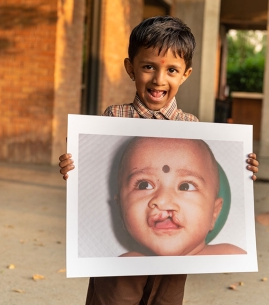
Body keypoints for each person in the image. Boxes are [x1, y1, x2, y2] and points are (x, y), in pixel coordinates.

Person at [59, 15, 258, 305]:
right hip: (118, 268)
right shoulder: (112, 119)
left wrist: (245, 169)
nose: (158, 79)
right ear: (131, 68)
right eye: (148, 66)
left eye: (172, 70)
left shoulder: (193, 126)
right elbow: (89, 178)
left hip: (174, 266)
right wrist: (72, 168)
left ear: (185, 74)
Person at [116, 136, 246, 257]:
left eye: (186, 186)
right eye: (144, 185)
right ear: (121, 209)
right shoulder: (120, 267)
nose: (163, 200)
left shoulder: (229, 256)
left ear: (214, 212)